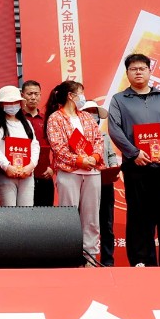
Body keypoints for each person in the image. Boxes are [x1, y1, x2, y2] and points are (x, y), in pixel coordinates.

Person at [107, 53, 160, 267]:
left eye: (142, 68)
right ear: (127, 73)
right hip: (136, 166)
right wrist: (134, 153)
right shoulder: (119, 99)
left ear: (150, 71)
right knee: (139, 213)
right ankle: (141, 259)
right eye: (133, 69)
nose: (138, 72)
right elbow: (114, 129)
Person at [44, 81, 103, 267]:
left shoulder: (86, 116)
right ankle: (68, 257)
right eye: (80, 93)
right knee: (69, 216)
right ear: (71, 95)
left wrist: (94, 157)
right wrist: (78, 160)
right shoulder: (55, 118)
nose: (83, 97)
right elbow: (58, 147)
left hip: (92, 172)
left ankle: (90, 257)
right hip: (69, 172)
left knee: (91, 216)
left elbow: (98, 139)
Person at [0, 84, 35, 208]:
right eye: (8, 102)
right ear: (1, 104)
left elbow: (34, 145)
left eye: (16, 102)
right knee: (9, 213)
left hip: (26, 174)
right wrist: (7, 166)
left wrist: (31, 166)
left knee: (26, 212)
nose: (12, 105)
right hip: (5, 174)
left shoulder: (26, 123)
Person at [22, 80, 55, 209]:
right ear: (22, 95)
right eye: (29, 94)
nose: (33, 97)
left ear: (40, 95)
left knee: (45, 215)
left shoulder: (48, 120)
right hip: (23, 174)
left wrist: (52, 167)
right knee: (26, 214)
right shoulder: (18, 119)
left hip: (44, 174)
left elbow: (57, 146)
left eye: (36, 94)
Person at [97, 106, 120, 266]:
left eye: (95, 114)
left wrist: (113, 168)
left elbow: (111, 155)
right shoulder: (77, 135)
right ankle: (84, 259)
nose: (93, 117)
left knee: (107, 224)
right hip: (86, 183)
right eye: (89, 113)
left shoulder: (104, 135)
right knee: (87, 223)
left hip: (105, 183)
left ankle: (107, 261)